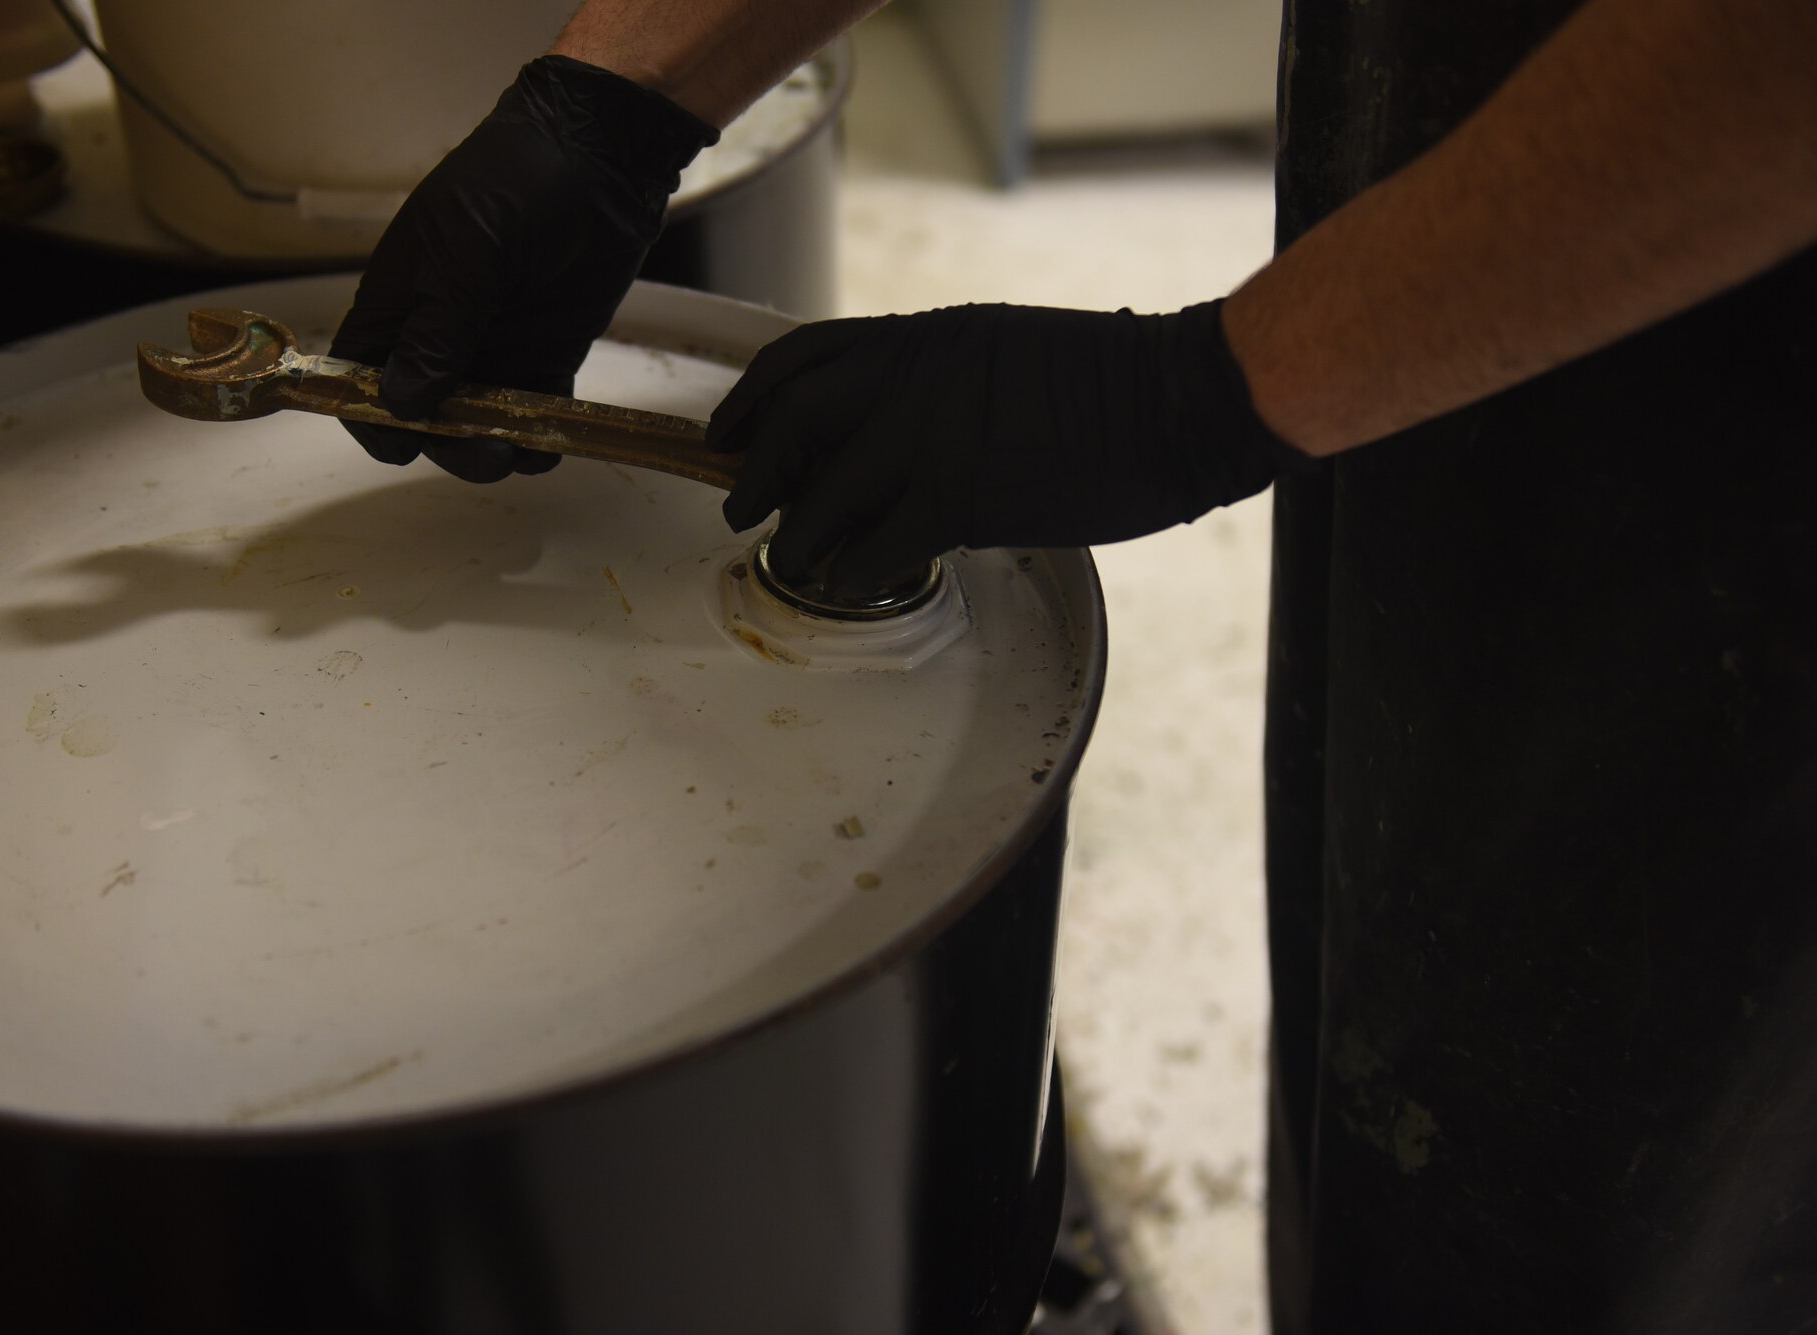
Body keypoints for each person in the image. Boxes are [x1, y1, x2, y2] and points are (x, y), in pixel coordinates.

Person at [330, 2, 1817, 1330]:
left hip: (1743, 497)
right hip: (1459, 312)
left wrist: (1203, 391)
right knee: (1406, 1065)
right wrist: (624, 93)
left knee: (1615, 1194)